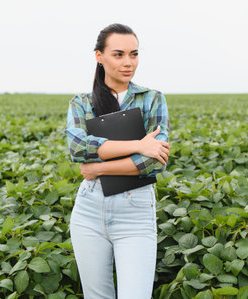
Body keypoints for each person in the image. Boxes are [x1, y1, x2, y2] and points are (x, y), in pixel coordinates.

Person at [64, 23, 170, 299]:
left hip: (135, 211)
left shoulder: (152, 99)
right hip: (89, 208)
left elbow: (155, 161)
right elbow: (77, 148)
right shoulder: (82, 102)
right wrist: (139, 145)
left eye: (134, 54)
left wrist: (99, 167)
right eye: (118, 54)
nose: (128, 62)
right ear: (99, 56)